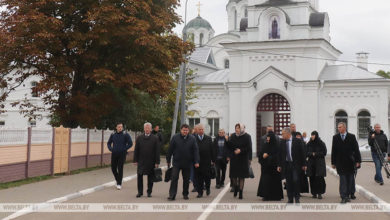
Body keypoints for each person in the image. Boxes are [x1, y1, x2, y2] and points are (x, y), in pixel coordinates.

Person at [166, 124, 200, 201]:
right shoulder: (175, 137)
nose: (185, 131)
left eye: (187, 130)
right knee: (174, 178)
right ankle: (172, 195)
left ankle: (185, 194)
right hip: (176, 162)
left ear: (189, 131)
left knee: (186, 179)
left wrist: (196, 161)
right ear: (181, 130)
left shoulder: (192, 138)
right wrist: (168, 160)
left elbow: (195, 150)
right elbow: (170, 149)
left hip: (187, 163)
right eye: (184, 130)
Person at [331, 122, 361, 204]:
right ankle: (343, 196)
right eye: (338, 127)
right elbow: (334, 150)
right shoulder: (335, 137)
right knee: (343, 180)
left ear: (345, 127)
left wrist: (358, 161)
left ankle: (348, 194)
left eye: (340, 127)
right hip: (340, 162)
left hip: (350, 162)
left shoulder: (351, 137)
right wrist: (333, 162)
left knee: (350, 179)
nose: (338, 128)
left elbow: (356, 149)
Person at [277, 127, 306, 204]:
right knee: (288, 182)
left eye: (283, 134)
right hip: (286, 164)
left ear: (288, 133)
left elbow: (302, 153)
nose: (282, 135)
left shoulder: (298, 141)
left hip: (295, 164)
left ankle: (297, 198)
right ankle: (290, 199)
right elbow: (279, 154)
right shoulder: (282, 142)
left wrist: (304, 164)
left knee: (296, 180)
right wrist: (279, 165)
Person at [134, 122, 160, 198]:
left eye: (148, 128)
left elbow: (157, 151)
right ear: (144, 129)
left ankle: (149, 192)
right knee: (139, 176)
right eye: (146, 128)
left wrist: (157, 162)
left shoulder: (155, 138)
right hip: (141, 161)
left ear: (151, 129)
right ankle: (140, 192)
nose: (147, 129)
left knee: (150, 177)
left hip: (151, 161)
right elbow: (136, 150)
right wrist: (135, 160)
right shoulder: (139, 138)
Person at [228, 123, 252, 199]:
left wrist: (241, 150)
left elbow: (249, 147)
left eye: (238, 128)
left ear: (241, 129)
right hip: (234, 158)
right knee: (234, 176)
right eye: (236, 128)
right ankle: (236, 188)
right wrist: (227, 141)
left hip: (243, 158)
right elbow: (230, 146)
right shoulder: (232, 136)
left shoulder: (247, 136)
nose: (237, 129)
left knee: (242, 176)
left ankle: (241, 192)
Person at [257, 132, 283, 201]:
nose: (268, 139)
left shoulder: (277, 147)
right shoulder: (265, 145)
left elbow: (277, 156)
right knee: (266, 181)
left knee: (274, 182)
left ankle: (275, 196)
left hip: (274, 168)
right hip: (266, 168)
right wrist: (262, 156)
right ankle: (266, 196)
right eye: (267, 138)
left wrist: (268, 156)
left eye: (269, 138)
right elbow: (260, 154)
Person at [107, 123, 133, 190]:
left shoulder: (125, 134)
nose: (120, 128)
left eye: (121, 127)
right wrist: (111, 149)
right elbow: (109, 143)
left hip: (122, 154)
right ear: (116, 127)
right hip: (114, 153)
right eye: (119, 127)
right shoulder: (113, 135)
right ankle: (118, 179)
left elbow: (130, 143)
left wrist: (124, 149)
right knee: (113, 168)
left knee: (120, 168)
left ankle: (119, 183)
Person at [195, 124, 215, 197]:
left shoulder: (208, 138)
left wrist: (213, 160)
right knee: (199, 178)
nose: (201, 131)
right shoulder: (194, 138)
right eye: (199, 129)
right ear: (197, 131)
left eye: (202, 129)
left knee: (207, 177)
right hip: (198, 162)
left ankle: (208, 188)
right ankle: (200, 192)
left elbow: (212, 150)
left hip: (207, 161)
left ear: (204, 130)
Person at [306, 131, 327, 199]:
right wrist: (311, 154)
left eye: (313, 135)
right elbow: (306, 152)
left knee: (319, 178)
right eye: (311, 135)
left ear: (316, 135)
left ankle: (320, 193)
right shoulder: (309, 143)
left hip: (319, 163)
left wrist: (316, 154)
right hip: (311, 163)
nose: (312, 136)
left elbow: (324, 152)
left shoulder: (321, 143)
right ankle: (314, 193)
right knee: (312, 178)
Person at [190, 125, 199, 192]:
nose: (196, 130)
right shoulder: (192, 136)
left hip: (200, 157)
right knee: (193, 173)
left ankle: (201, 185)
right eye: (195, 129)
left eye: (197, 129)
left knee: (200, 173)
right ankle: (195, 186)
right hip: (193, 157)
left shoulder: (201, 136)